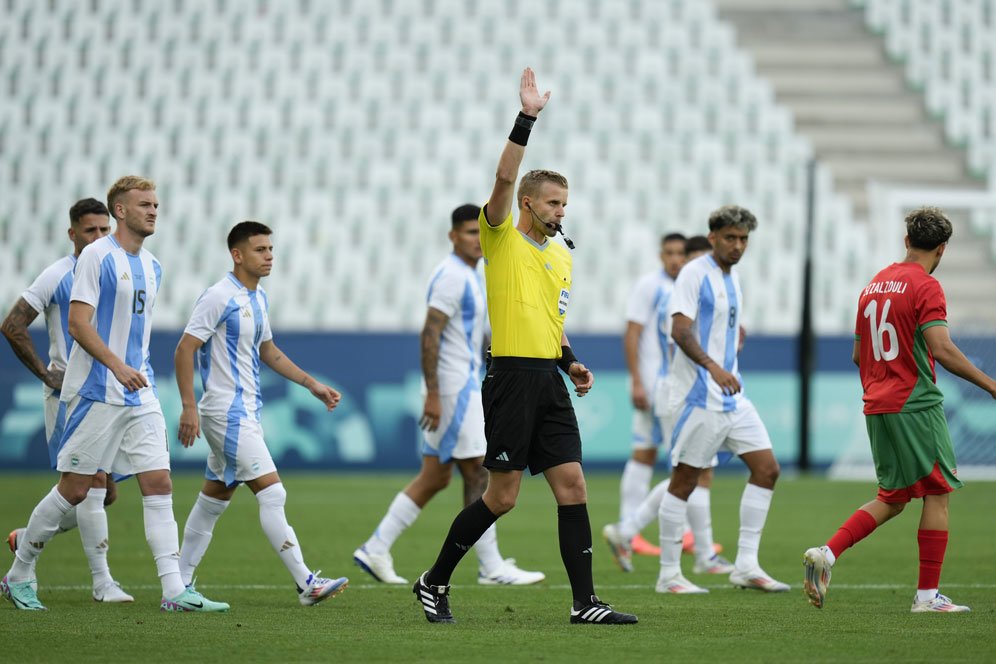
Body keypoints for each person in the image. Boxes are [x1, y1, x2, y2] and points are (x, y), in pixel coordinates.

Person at [411, 68, 637, 625]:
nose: (563, 211)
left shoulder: (563, 255)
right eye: (555, 203)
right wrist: (526, 118)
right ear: (530, 205)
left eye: (566, 202)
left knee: (573, 485)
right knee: (502, 497)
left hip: (548, 379)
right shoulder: (501, 237)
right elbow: (504, 176)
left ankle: (585, 603)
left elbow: (552, 321)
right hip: (510, 377)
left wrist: (571, 361)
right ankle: (433, 581)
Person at [1, 176, 227, 611]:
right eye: (144, 203)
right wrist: (117, 366)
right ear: (120, 210)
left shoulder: (153, 265)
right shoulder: (95, 258)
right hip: (94, 392)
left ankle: (174, 590)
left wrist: (133, 369)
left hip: (138, 393)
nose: (153, 210)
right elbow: (77, 325)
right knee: (75, 489)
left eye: (157, 204)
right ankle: (19, 572)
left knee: (159, 482)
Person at [803, 206, 996, 613]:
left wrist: (883, 380)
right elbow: (941, 349)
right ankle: (927, 597)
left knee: (892, 498)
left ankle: (827, 553)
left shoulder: (873, 285)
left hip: (877, 404)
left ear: (907, 241)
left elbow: (859, 354)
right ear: (941, 249)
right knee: (939, 494)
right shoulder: (926, 286)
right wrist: (990, 385)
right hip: (915, 404)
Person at [353, 205, 544, 586]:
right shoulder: (451, 277)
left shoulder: (472, 274)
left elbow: (470, 334)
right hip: (454, 388)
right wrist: (434, 394)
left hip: (463, 382)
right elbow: (431, 333)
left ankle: (376, 548)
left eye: (480, 232)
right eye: (469, 232)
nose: (476, 238)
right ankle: (490, 565)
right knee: (479, 470)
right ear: (453, 236)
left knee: (436, 477)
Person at [174, 221, 348, 607]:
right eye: (260, 250)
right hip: (226, 411)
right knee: (273, 492)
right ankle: (306, 583)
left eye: (270, 249)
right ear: (237, 255)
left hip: (245, 411)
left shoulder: (258, 298)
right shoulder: (219, 297)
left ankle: (178, 587)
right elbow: (185, 349)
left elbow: (268, 351)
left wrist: (311, 384)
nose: (269, 256)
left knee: (213, 500)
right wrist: (189, 406)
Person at [652, 206, 789, 595]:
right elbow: (680, 330)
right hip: (699, 396)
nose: (738, 245)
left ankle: (746, 564)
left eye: (744, 239)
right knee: (685, 481)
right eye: (730, 237)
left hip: (732, 395)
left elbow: (721, 324)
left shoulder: (733, 277)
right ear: (712, 237)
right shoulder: (694, 274)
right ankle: (668, 575)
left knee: (767, 470)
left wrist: (734, 336)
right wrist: (713, 365)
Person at [2, 198, 132, 603]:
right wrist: (45, 372)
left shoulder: (116, 268)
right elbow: (13, 324)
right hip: (71, 395)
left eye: (104, 230)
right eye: (89, 230)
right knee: (89, 485)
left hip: (108, 392)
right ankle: (100, 582)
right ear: (72, 234)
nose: (98, 237)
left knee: (104, 492)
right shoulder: (59, 275)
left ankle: (28, 536)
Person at [603, 235, 733, 581]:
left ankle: (632, 532)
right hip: (680, 391)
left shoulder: (679, 295)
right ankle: (689, 549)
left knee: (690, 469)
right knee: (693, 471)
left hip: (673, 389)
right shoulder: (675, 296)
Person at [616, 232, 685, 556]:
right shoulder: (650, 286)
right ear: (661, 255)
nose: (675, 259)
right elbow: (633, 333)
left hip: (672, 386)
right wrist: (637, 381)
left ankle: (630, 531)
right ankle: (636, 529)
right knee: (677, 459)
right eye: (669, 253)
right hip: (657, 386)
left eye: (680, 253)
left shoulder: (685, 286)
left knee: (649, 454)